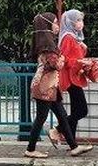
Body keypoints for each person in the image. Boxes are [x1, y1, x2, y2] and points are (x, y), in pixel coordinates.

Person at [25, 12, 88, 158]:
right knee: (41, 117)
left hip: (51, 86)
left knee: (62, 115)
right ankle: (30, 149)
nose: (57, 25)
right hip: (45, 87)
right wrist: (65, 58)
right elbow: (56, 65)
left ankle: (74, 147)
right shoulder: (47, 45)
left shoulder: (46, 42)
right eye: (55, 22)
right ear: (47, 25)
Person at [49, 9, 93, 152]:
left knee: (75, 110)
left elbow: (75, 54)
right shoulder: (68, 37)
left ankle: (72, 143)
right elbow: (66, 59)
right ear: (70, 22)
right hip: (71, 78)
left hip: (74, 76)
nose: (81, 23)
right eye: (78, 20)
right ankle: (57, 129)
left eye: (81, 20)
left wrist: (83, 50)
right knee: (82, 110)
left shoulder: (74, 37)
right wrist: (82, 62)